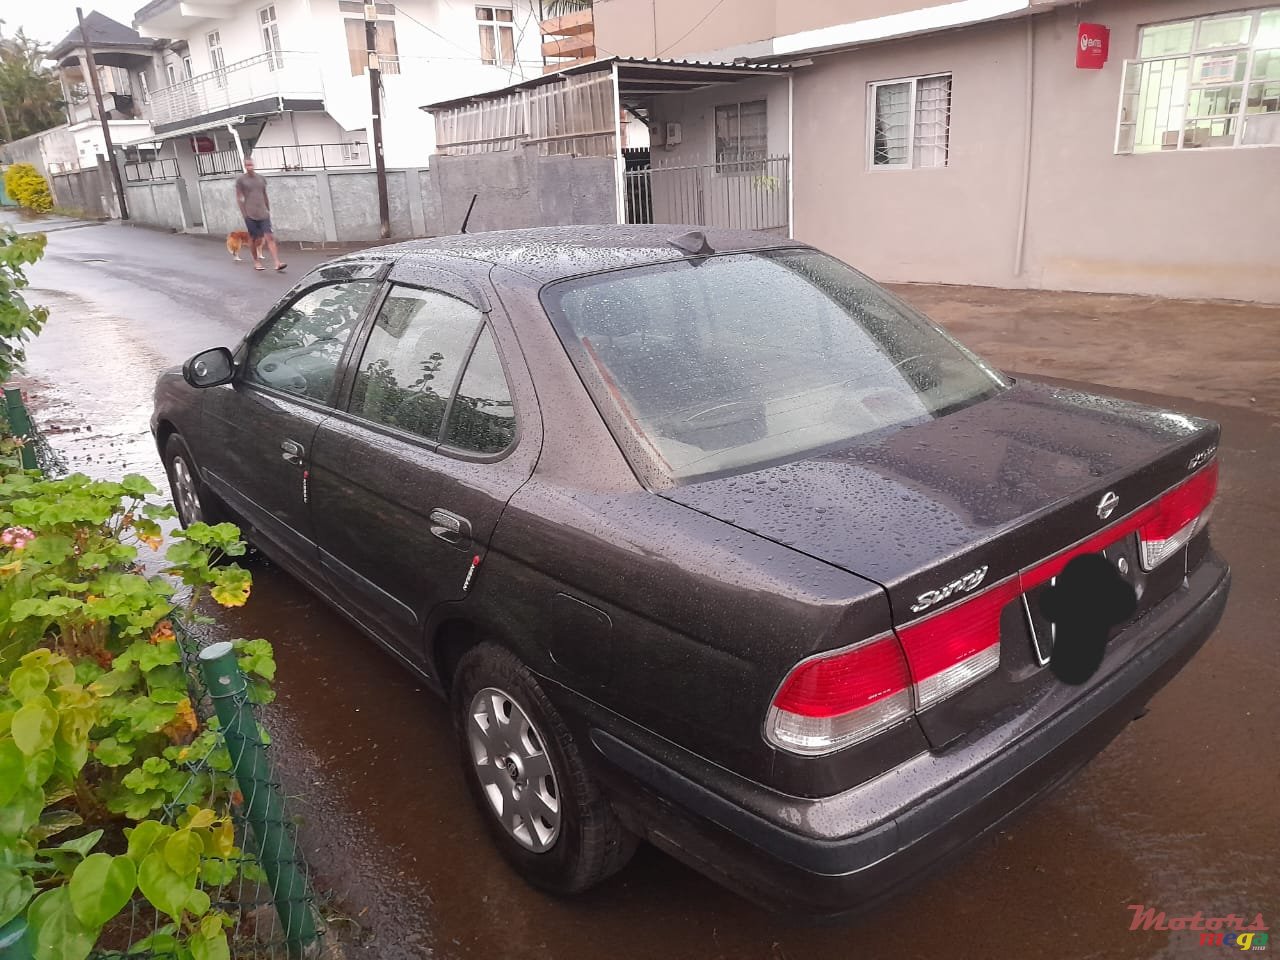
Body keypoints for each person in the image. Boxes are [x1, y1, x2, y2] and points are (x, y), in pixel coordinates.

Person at [234, 157, 286, 272]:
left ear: (254, 165)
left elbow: (264, 194)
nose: (250, 167)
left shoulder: (261, 179)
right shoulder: (241, 180)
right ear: (245, 166)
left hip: (263, 213)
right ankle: (256, 261)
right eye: (247, 165)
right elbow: (239, 197)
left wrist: (268, 209)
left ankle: (277, 262)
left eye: (251, 165)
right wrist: (244, 213)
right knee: (253, 238)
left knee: (270, 237)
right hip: (250, 213)